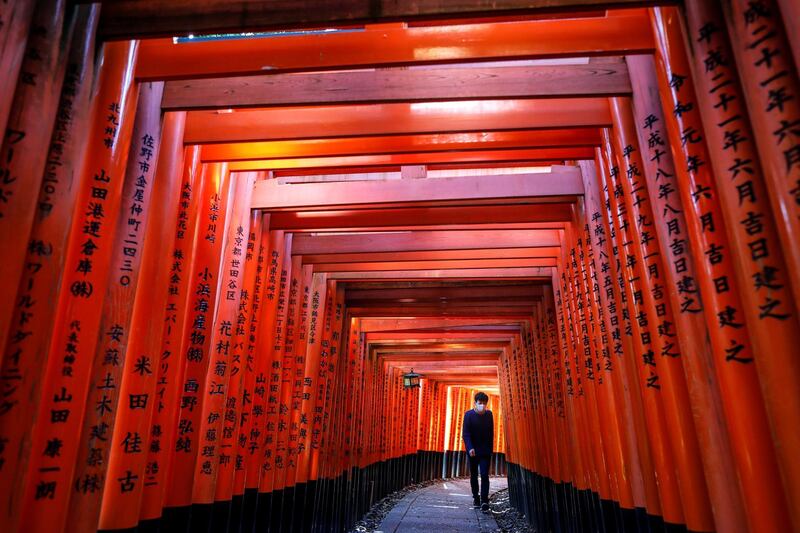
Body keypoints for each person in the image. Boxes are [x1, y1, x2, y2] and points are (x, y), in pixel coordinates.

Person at [462, 391, 494, 511]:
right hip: (473, 451)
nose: (482, 406)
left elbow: (491, 433)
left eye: (484, 403)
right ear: (475, 403)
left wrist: (490, 449)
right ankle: (476, 497)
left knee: (485, 475)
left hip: (485, 450)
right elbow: (466, 434)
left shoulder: (489, 414)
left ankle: (484, 501)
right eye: (480, 403)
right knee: (474, 475)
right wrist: (470, 447)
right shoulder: (468, 415)